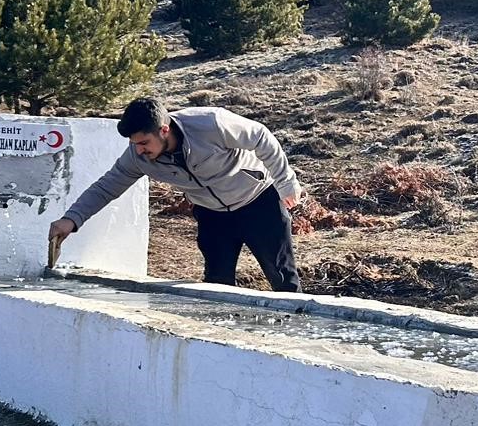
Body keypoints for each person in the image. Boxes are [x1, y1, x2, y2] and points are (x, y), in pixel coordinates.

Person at [49, 97, 304, 292]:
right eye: (134, 144)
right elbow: (106, 187)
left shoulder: (211, 123)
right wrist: (71, 219)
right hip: (212, 215)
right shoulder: (137, 157)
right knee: (216, 286)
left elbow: (260, 137)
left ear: (164, 130)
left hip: (258, 201)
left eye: (143, 143)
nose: (139, 151)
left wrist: (286, 182)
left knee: (283, 279)